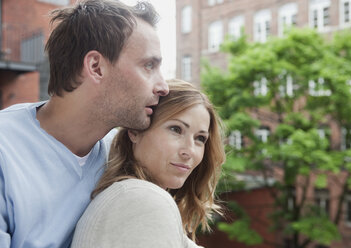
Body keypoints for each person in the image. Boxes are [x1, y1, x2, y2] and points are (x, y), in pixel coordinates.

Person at [0, 1, 168, 247]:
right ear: (96, 67)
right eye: (148, 65)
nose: (163, 87)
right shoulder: (6, 150)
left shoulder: (122, 154)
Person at [71, 79, 226, 248]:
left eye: (200, 139)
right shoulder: (143, 199)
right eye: (176, 129)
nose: (189, 151)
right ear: (135, 130)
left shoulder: (135, 196)